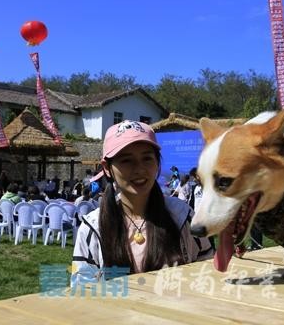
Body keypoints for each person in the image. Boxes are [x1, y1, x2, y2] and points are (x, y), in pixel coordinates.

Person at [71, 120, 213, 285]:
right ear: (107, 168)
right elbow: (82, 293)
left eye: (147, 158)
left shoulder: (182, 217)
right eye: (126, 160)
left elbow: (207, 273)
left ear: (157, 162)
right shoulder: (93, 228)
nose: (139, 169)